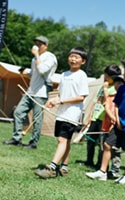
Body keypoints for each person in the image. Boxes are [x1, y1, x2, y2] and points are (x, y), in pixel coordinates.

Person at [86, 60, 125, 184]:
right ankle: (102, 172)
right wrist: (117, 120)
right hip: (118, 123)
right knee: (108, 145)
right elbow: (117, 106)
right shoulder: (122, 88)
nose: (124, 72)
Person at [34, 47, 89, 178]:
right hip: (61, 113)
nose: (73, 59)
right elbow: (61, 94)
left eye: (77, 57)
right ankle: (64, 166)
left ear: (83, 61)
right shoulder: (64, 75)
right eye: (71, 56)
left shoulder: (82, 75)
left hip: (72, 114)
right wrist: (53, 100)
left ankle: (52, 168)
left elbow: (81, 97)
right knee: (66, 140)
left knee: (61, 140)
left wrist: (62, 101)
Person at [3, 36, 57, 149]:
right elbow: (34, 73)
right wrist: (25, 72)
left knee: (36, 118)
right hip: (30, 91)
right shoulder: (34, 59)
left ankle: (33, 143)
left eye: (40, 44)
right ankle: (16, 138)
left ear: (46, 46)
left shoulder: (50, 57)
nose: (37, 46)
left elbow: (42, 70)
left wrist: (37, 55)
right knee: (18, 112)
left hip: (41, 93)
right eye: (36, 43)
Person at [76, 64, 121, 169]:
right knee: (90, 140)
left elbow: (109, 103)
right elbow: (97, 101)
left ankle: (100, 164)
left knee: (102, 143)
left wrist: (105, 89)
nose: (105, 77)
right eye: (105, 74)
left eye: (108, 76)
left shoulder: (115, 89)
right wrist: (90, 116)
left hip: (104, 119)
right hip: (95, 117)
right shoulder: (102, 86)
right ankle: (89, 160)